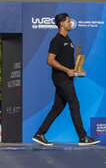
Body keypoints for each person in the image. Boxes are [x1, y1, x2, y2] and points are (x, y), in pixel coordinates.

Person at [32, 13, 100, 146]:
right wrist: (68, 71)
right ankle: (82, 137)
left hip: (66, 77)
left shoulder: (68, 39)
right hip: (61, 78)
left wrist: (77, 70)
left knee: (58, 107)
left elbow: (66, 62)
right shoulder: (56, 40)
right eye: (68, 21)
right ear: (61, 24)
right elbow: (50, 60)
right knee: (74, 104)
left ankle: (40, 134)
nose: (70, 23)